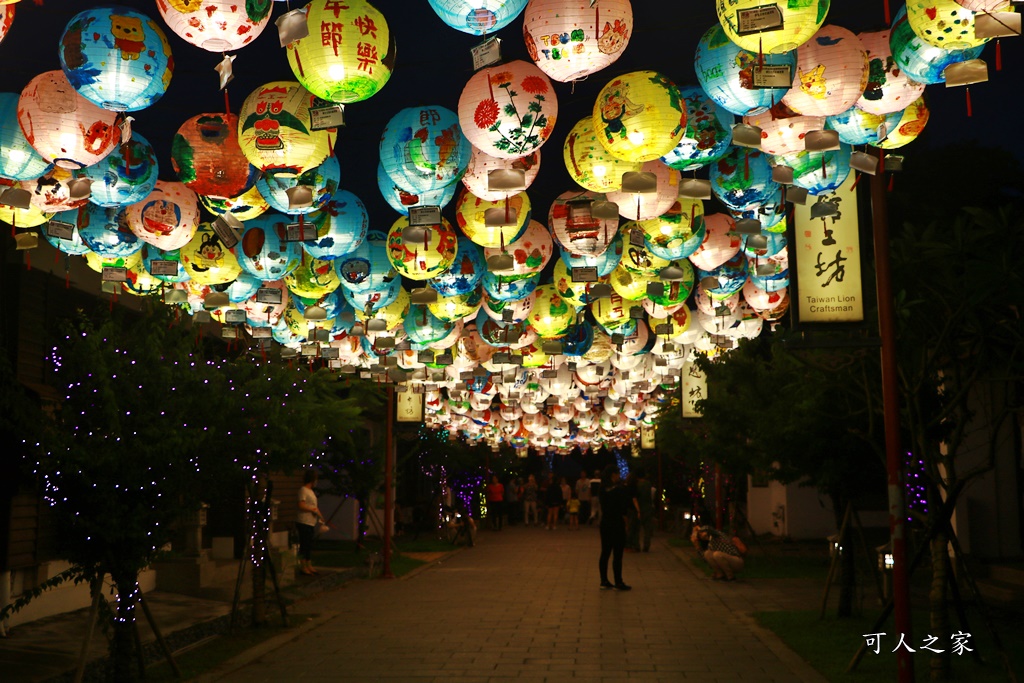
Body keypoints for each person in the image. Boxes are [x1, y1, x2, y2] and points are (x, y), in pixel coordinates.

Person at [598, 465, 635, 591]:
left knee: (605, 552)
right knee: (617, 553)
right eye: (618, 473)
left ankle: (604, 580)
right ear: (613, 474)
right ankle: (618, 581)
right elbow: (624, 507)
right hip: (617, 522)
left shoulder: (602, 489)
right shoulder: (619, 490)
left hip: (605, 522)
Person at [296, 469, 325, 577]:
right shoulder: (303, 490)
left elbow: (315, 507)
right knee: (304, 544)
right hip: (303, 521)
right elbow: (301, 505)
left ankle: (309, 564)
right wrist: (312, 510)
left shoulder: (311, 492)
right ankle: (303, 566)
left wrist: (321, 517)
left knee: (309, 544)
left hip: (311, 522)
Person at [635, 467, 656, 552]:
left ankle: (637, 545)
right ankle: (646, 545)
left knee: (637, 528)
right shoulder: (648, 484)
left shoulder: (636, 484)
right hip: (647, 507)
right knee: (647, 528)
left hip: (638, 507)